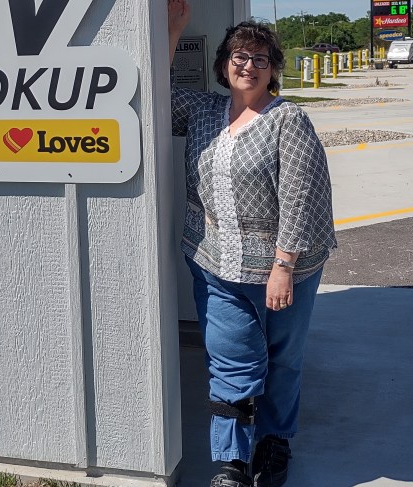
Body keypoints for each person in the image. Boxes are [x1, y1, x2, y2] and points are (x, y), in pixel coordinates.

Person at [167, 2, 337, 486]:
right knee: (231, 359)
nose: (248, 65)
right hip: (214, 261)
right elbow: (153, 95)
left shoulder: (289, 120)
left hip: (286, 267)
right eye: (239, 56)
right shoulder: (201, 110)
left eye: (260, 58)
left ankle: (275, 440)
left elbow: (301, 198)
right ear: (224, 65)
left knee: (282, 357)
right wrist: (173, 30)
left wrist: (284, 264)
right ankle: (232, 463)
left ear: (273, 70)